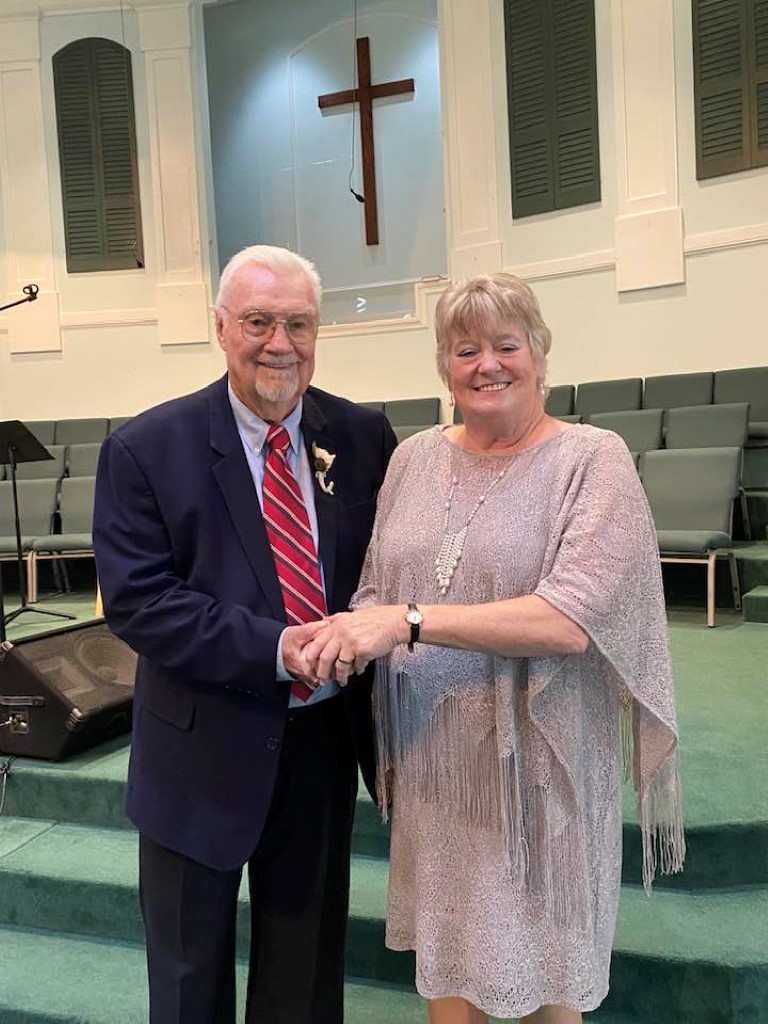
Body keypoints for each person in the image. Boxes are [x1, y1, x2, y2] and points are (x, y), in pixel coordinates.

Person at [302, 273, 685, 1024]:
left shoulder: (592, 459)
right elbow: (377, 584)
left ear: (539, 355)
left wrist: (407, 622)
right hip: (435, 759)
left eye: (506, 346)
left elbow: (568, 619)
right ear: (444, 367)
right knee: (451, 964)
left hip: (541, 764)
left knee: (545, 970)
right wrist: (343, 634)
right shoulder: (412, 458)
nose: (487, 365)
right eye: (465, 349)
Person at [93, 244, 397, 1024]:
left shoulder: (364, 438)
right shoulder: (144, 449)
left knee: (304, 980)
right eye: (259, 322)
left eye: (298, 323)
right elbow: (140, 602)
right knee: (189, 984)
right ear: (221, 326)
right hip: (198, 749)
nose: (279, 343)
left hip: (320, 744)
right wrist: (276, 647)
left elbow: (389, 574)